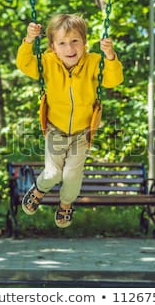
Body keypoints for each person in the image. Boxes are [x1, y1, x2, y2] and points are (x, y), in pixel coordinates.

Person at [16, 13, 123, 228]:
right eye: (62, 43)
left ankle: (65, 205)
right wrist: (28, 40)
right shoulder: (47, 62)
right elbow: (24, 64)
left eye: (75, 41)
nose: (69, 48)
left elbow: (114, 80)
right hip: (55, 129)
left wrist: (110, 56)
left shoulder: (94, 62)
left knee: (73, 175)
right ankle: (38, 190)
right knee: (53, 173)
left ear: (84, 42)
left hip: (83, 131)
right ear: (53, 46)